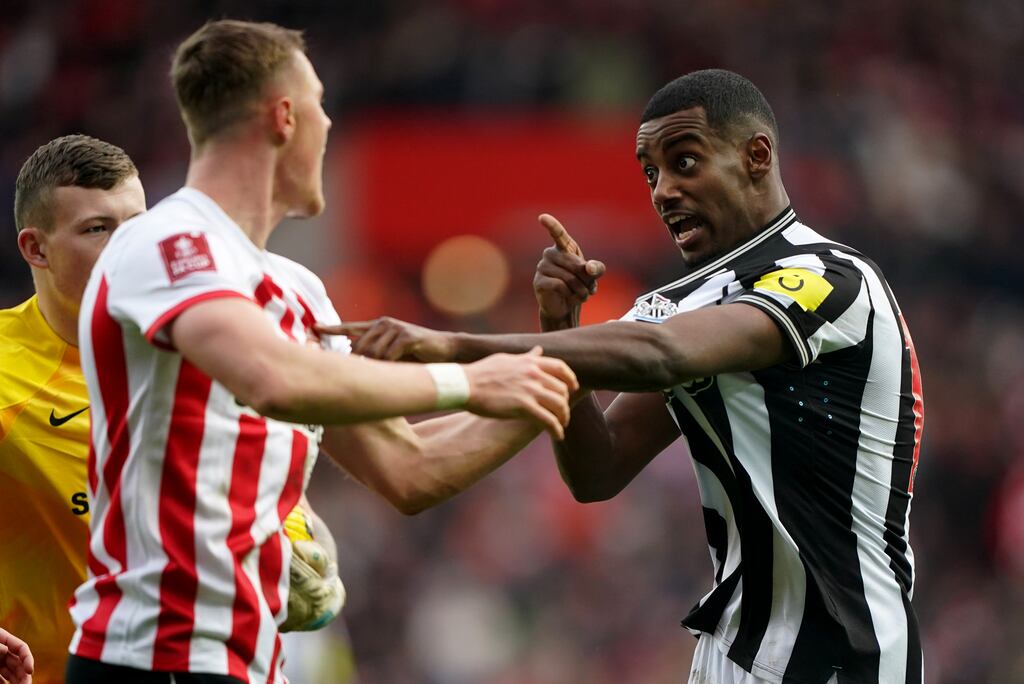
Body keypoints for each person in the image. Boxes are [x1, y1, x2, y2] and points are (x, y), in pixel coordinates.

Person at [326, 69, 925, 684]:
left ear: (756, 156)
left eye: (684, 162)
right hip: (731, 649)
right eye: (651, 174)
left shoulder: (832, 278)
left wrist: (454, 344)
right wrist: (559, 325)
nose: (663, 190)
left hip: (842, 651)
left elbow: (662, 354)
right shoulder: (684, 303)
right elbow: (598, 469)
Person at [66, 20, 576, 684]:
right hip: (153, 655)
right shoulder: (166, 241)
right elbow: (269, 377)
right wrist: (471, 381)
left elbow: (410, 466)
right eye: (321, 106)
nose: (330, 126)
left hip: (250, 662)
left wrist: (560, 367)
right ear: (284, 117)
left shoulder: (299, 291)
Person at [2, 134, 344, 684]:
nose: (126, 247)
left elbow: (255, 479)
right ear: (35, 248)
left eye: (136, 225)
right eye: (97, 229)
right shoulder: (5, 372)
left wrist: (295, 530)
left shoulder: (201, 341)